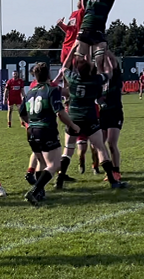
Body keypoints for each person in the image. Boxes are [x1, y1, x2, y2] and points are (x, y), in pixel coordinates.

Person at [56, 56, 128, 189]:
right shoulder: (95, 81)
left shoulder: (73, 78)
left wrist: (73, 50)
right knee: (100, 147)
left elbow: (64, 68)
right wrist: (103, 54)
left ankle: (60, 179)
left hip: (74, 117)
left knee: (68, 149)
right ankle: (113, 181)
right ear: (91, 71)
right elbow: (109, 73)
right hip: (89, 118)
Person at [19, 62, 79, 204]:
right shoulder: (51, 90)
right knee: (54, 164)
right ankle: (35, 191)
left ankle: (40, 193)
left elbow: (22, 113)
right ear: (49, 74)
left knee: (41, 161)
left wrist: (30, 123)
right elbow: (60, 112)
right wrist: (72, 125)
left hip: (31, 130)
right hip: (46, 130)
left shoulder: (29, 92)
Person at [63, 0, 115, 73]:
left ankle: (101, 85)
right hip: (85, 30)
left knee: (99, 60)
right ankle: (81, 83)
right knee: (79, 60)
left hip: (98, 31)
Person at [99, 51, 125, 182]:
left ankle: (116, 171)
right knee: (99, 144)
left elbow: (114, 63)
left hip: (115, 112)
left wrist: (104, 50)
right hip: (103, 113)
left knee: (111, 143)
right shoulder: (100, 80)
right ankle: (108, 170)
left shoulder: (115, 77)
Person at [57, 0, 86, 65]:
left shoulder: (82, 12)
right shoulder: (73, 13)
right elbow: (69, 30)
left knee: (74, 66)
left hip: (74, 45)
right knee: (64, 66)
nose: (79, 1)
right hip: (66, 44)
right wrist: (61, 25)